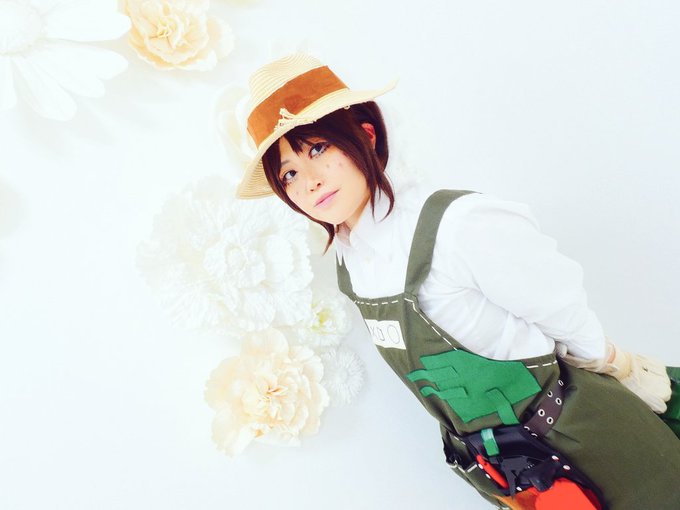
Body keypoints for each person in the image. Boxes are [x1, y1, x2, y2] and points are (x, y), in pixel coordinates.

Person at [235, 53, 680, 509]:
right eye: (289, 173)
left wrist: (619, 365)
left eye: (318, 149)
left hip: (594, 439)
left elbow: (563, 310)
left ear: (365, 135)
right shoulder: (351, 268)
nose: (309, 181)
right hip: (519, 477)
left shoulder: (458, 224)